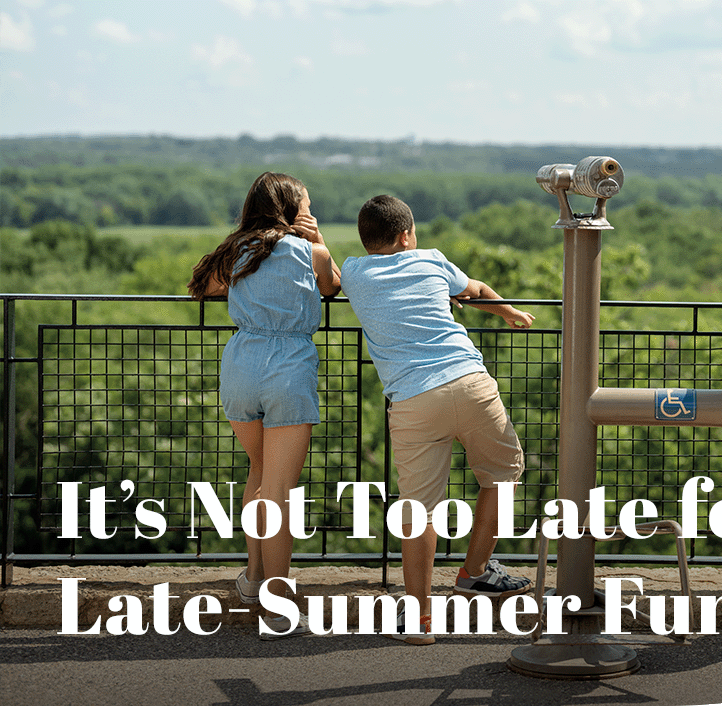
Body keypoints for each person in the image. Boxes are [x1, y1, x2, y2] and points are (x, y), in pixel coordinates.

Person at [341, 194, 535, 644]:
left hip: (411, 400)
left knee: (418, 510)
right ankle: (474, 571)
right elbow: (478, 289)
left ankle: (420, 621)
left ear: (367, 239)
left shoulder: (354, 271)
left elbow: (329, 279)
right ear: (407, 235)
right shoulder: (431, 261)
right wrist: (508, 313)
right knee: (503, 475)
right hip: (469, 382)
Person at [188, 171, 341, 639]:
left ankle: (254, 579)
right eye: (307, 206)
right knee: (279, 493)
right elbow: (331, 286)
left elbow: (206, 287)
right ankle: (279, 606)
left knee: (259, 473)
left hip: (240, 364)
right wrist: (315, 238)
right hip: (287, 370)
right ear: (294, 210)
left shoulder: (238, 252)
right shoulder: (312, 251)